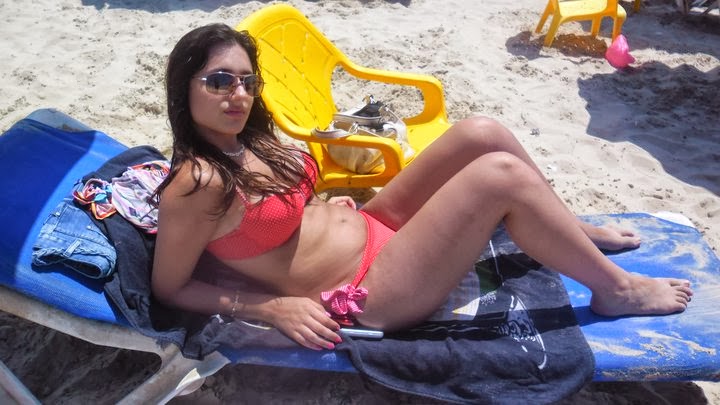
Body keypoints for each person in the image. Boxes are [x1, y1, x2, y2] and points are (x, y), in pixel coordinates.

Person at [151, 23, 692, 351]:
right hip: (369, 287)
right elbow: (169, 289)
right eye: (219, 81)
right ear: (185, 88)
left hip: (371, 227)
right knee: (499, 177)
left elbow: (278, 216)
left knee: (481, 133)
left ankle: (571, 227)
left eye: (247, 81)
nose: (238, 95)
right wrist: (271, 309)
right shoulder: (198, 182)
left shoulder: (248, 139)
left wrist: (321, 206)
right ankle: (617, 291)